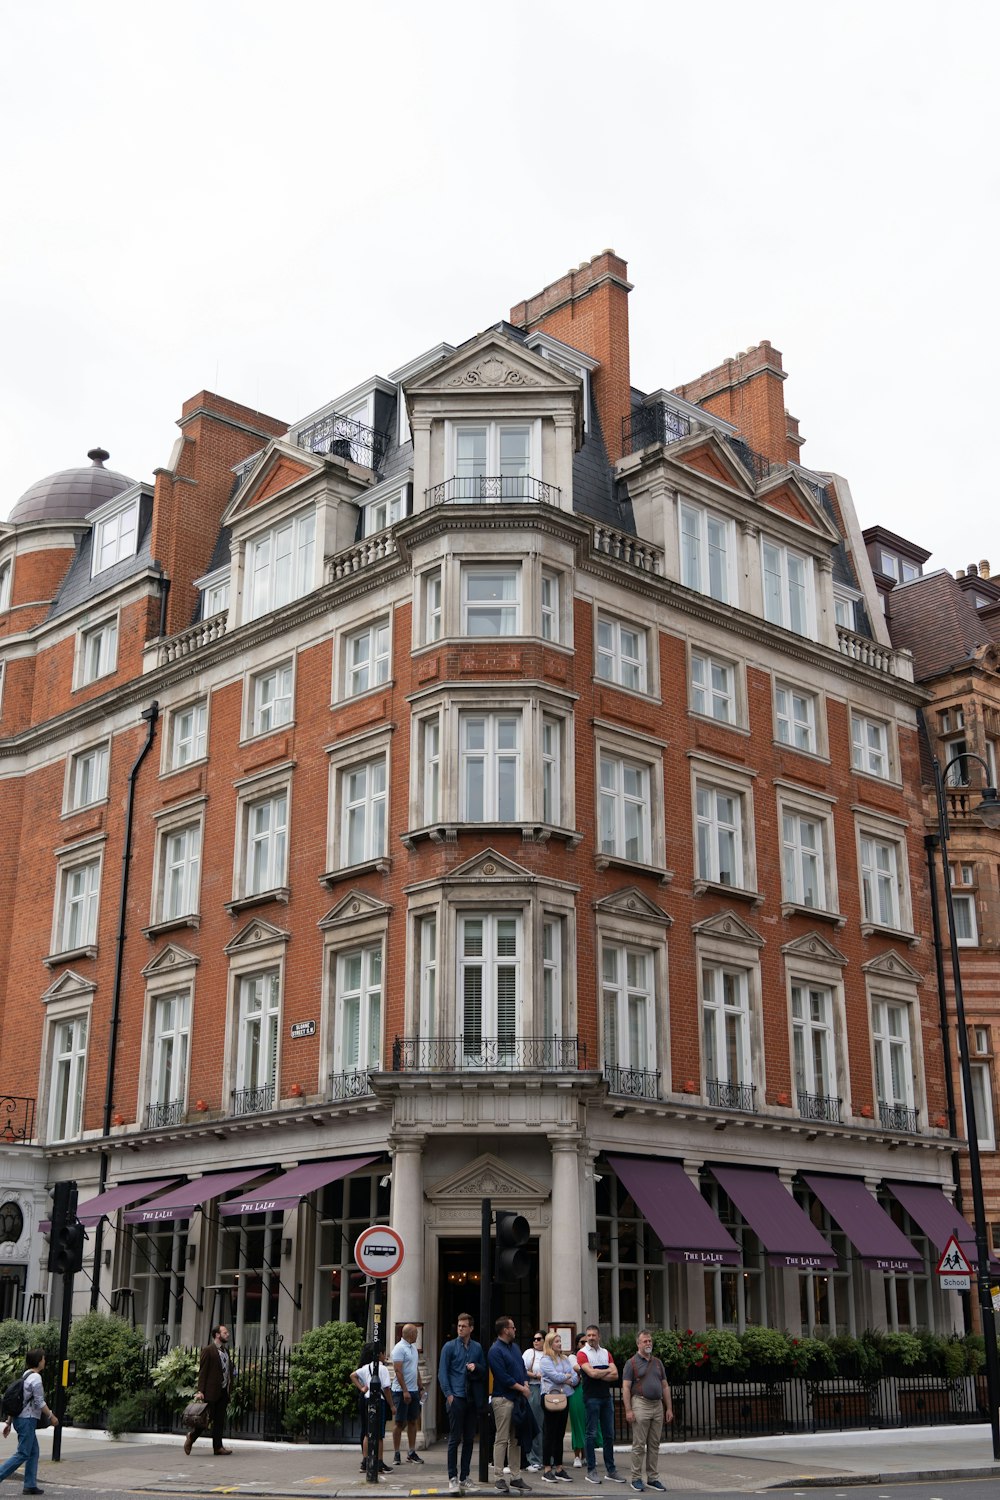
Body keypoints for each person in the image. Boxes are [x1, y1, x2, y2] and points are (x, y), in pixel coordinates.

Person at [438, 1312, 486, 1494]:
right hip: (456, 1397)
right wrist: (449, 1396)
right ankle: (452, 1477)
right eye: (458, 1326)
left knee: (468, 1439)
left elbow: (483, 1370)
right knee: (454, 1439)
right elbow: (442, 1373)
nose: (460, 1329)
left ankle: (465, 1476)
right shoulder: (449, 1347)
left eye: (464, 1326)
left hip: (472, 1398)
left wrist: (476, 1367)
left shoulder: (477, 1348)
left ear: (471, 1328)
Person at [0, 1348, 58, 1495]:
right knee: (23, 1453)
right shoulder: (36, 1378)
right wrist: (51, 1416)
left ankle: (30, 1485)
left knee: (33, 1452)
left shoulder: (26, 1375)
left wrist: (8, 1422)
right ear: (39, 1361)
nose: (45, 1361)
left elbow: (19, 1401)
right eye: (44, 1358)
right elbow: (39, 1402)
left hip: (21, 1419)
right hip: (27, 1420)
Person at [621, 1331, 672, 1492]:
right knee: (639, 1444)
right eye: (645, 1341)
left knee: (654, 1444)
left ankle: (652, 1478)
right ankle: (636, 1478)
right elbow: (626, 1387)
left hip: (657, 1405)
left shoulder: (658, 1363)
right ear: (638, 1344)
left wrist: (668, 1408)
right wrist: (628, 1409)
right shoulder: (631, 1363)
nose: (648, 1343)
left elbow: (665, 1386)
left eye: (650, 1341)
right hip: (640, 1403)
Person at [488, 1316, 532, 1495]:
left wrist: (526, 1383)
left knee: (516, 1439)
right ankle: (499, 1476)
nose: (515, 1330)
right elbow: (502, 1376)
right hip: (503, 1399)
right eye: (513, 1327)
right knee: (502, 1438)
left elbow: (521, 1368)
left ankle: (515, 1476)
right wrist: (522, 1388)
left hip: (518, 1398)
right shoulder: (495, 1350)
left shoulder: (515, 1348)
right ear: (505, 1330)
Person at [576, 1324, 624, 1485]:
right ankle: (591, 1470)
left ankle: (611, 1470)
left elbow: (616, 1374)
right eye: (588, 1335)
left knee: (609, 1434)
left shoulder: (606, 1353)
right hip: (591, 1398)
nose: (590, 1338)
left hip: (606, 1398)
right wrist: (603, 1372)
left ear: (599, 1336)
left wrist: (598, 1373)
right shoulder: (582, 1353)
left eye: (593, 1335)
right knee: (591, 1434)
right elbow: (591, 1373)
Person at [185, 1325, 233, 1457]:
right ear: (217, 1335)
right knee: (205, 1420)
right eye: (225, 1332)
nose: (227, 1334)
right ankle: (191, 1437)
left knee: (219, 1420)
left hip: (223, 1391)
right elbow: (203, 1372)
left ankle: (218, 1447)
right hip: (211, 1391)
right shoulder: (208, 1350)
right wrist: (200, 1390)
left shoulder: (225, 1351)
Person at [537, 1329, 577, 1483]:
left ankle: (559, 1468)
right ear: (550, 1344)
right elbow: (555, 1376)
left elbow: (574, 1378)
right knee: (549, 1433)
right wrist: (565, 1377)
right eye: (557, 1341)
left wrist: (566, 1378)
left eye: (560, 1341)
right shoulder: (545, 1360)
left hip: (564, 1398)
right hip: (549, 1398)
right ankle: (547, 1468)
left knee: (559, 1434)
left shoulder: (565, 1358)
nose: (560, 1344)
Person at [350, 1341, 392, 1474]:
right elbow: (386, 1389)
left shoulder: (367, 1367)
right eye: (384, 1353)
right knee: (379, 1434)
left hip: (367, 1399)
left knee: (368, 1432)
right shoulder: (383, 1369)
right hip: (379, 1401)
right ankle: (379, 1462)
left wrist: (362, 1388)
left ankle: (365, 1461)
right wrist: (392, 1405)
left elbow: (353, 1375)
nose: (385, 1355)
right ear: (379, 1354)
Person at [390, 1323, 425, 1465]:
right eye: (415, 1333)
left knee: (413, 1421)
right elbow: (398, 1371)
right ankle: (396, 1452)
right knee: (399, 1422)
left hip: (414, 1390)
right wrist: (405, 1390)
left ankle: (411, 1452)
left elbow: (414, 1368)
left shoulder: (413, 1349)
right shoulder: (399, 1349)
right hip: (400, 1391)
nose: (417, 1335)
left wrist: (420, 1386)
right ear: (409, 1334)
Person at [522, 1333, 545, 1472]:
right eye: (534, 1338)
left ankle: (547, 1457)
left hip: (548, 1390)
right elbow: (522, 1370)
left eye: (539, 1339)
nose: (535, 1341)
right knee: (536, 1424)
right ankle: (534, 1458)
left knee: (547, 1425)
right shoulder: (529, 1353)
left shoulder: (550, 1353)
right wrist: (536, 1375)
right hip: (535, 1387)